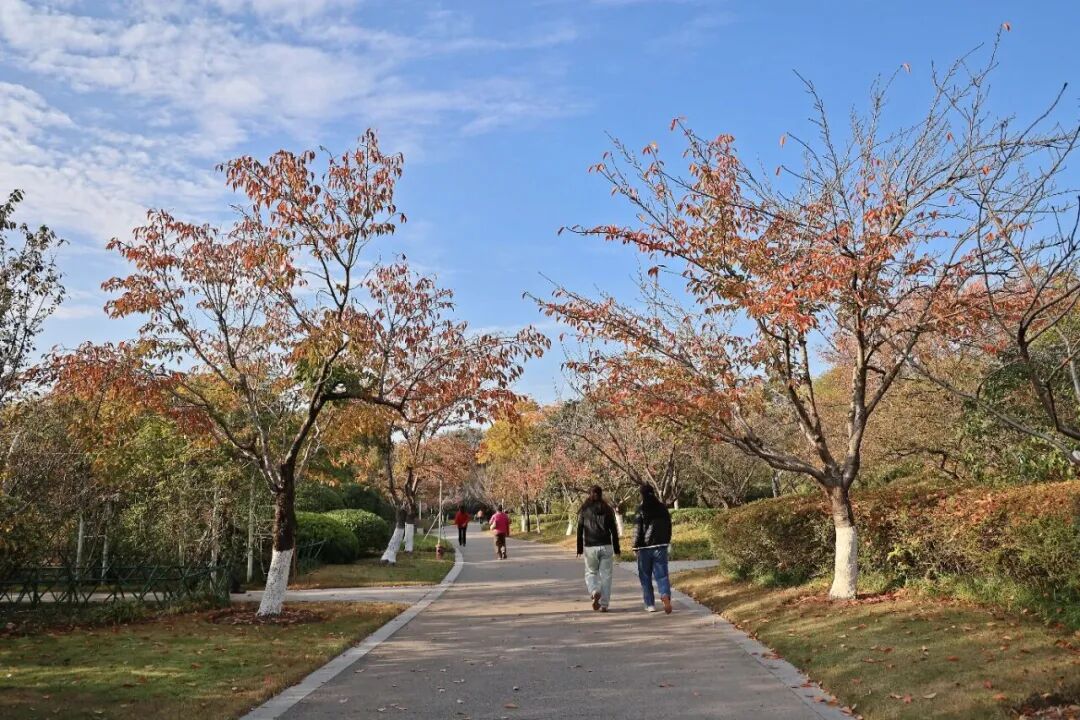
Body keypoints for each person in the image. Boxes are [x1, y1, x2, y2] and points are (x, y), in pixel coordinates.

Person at [576, 485, 621, 612]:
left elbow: (580, 529)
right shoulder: (608, 509)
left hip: (590, 546)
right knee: (606, 576)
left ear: (590, 494)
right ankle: (604, 604)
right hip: (606, 546)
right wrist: (617, 549)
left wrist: (579, 548)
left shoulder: (585, 509)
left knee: (591, 572)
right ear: (601, 495)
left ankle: (594, 590)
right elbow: (614, 530)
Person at [633, 483, 673, 613]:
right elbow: (669, 526)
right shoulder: (662, 508)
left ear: (642, 494)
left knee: (645, 576)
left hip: (644, 548)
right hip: (661, 546)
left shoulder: (641, 509)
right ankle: (665, 595)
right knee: (662, 575)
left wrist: (635, 546)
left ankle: (650, 604)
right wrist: (667, 541)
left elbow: (637, 529)